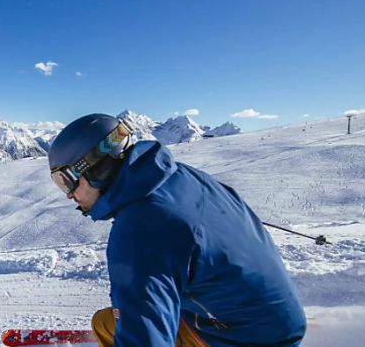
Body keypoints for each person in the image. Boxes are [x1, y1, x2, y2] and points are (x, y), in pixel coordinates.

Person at [48, 114, 306, 347]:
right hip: (280, 323)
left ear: (94, 168)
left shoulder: (139, 229)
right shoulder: (182, 177)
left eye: (66, 180)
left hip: (245, 340)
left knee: (104, 325)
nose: (69, 194)